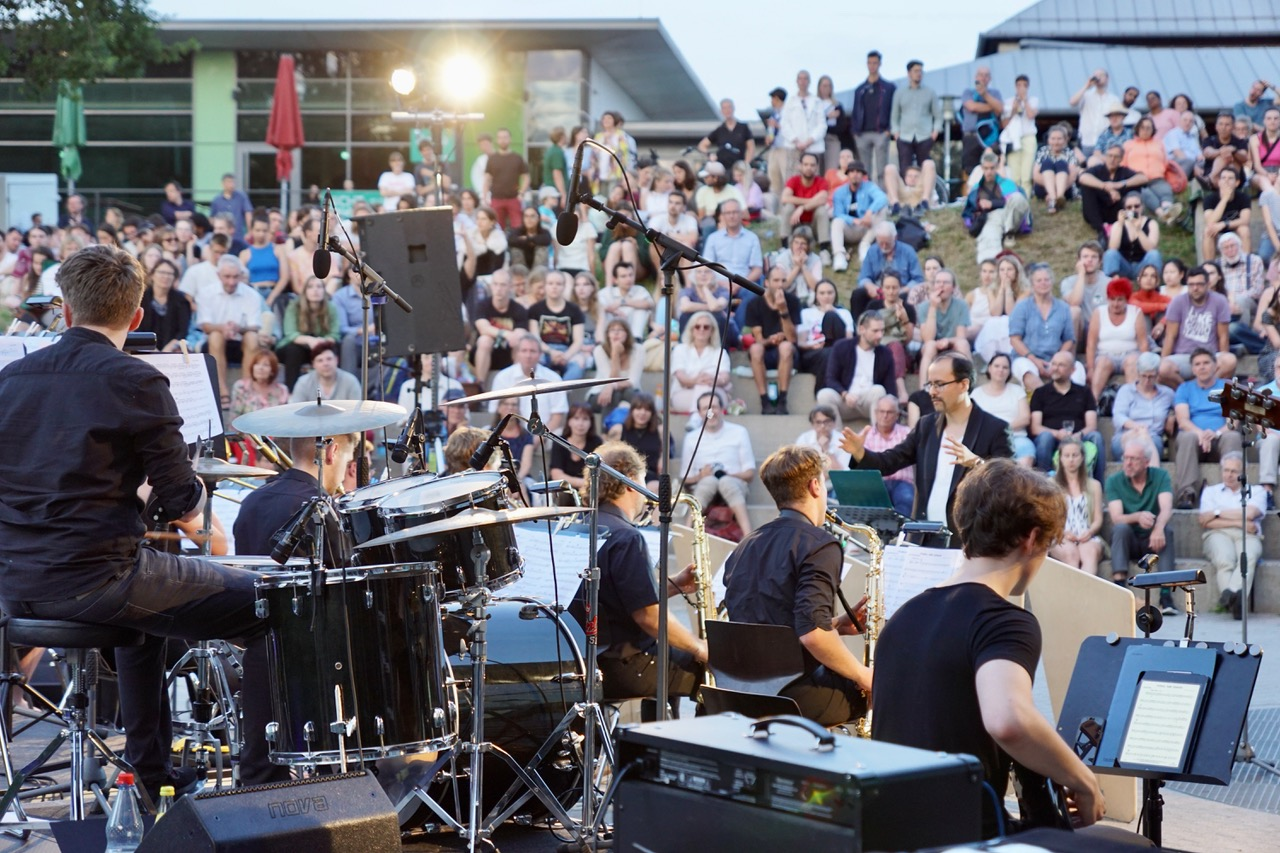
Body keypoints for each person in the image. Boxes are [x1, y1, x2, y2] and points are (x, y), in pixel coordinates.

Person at [0, 244, 287, 802]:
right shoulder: (135, 379)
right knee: (272, 607)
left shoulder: (10, 380)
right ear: (135, 317)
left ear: (63, 307)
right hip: (93, 581)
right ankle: (261, 790)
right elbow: (183, 499)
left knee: (154, 586)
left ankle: (149, 774)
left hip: (14, 584)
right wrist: (192, 484)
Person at [872, 459, 1104, 839]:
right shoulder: (1004, 621)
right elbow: (1007, 720)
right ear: (1031, 539)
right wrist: (1084, 780)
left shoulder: (903, 617)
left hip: (892, 832)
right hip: (960, 836)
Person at [722, 445, 872, 726]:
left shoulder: (746, 544)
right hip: (793, 697)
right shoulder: (820, 544)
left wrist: (836, 624)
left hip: (741, 692)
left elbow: (766, 618)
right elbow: (813, 635)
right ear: (815, 486)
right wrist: (864, 676)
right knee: (876, 689)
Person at [568, 441, 705, 705]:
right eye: (643, 481)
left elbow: (622, 598)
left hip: (587, 659)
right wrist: (699, 646)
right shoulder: (627, 537)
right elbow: (648, 617)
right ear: (630, 481)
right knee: (705, 667)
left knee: (670, 651)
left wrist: (675, 585)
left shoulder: (582, 526)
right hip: (623, 664)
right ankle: (659, 743)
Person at [840, 353, 1013, 530]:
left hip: (970, 540)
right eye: (930, 384)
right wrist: (859, 452)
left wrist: (977, 464)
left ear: (964, 384)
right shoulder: (926, 426)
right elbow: (890, 461)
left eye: (939, 384)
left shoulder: (995, 429)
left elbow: (1010, 485)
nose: (932, 392)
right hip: (926, 535)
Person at [232, 432, 356, 563]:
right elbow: (344, 573)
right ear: (332, 452)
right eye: (347, 462)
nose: (343, 477)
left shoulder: (251, 499)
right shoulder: (324, 509)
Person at [1108, 437, 1176, 610]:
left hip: (1152, 539)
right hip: (1129, 540)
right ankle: (1119, 587)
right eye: (1126, 458)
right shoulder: (1114, 481)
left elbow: (1166, 508)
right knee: (1120, 529)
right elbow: (1116, 517)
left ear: (1146, 462)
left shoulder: (1160, 476)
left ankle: (1166, 597)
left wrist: (1158, 528)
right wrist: (1137, 516)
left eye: (1134, 459)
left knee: (1167, 531)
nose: (1128, 463)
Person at [1172, 347, 1242, 509]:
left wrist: (1216, 433)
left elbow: (1233, 422)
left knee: (1233, 436)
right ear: (1192, 369)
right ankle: (1186, 493)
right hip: (1194, 440)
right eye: (1197, 364)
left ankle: (1232, 490)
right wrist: (1201, 434)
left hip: (1221, 439)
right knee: (1186, 435)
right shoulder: (1185, 389)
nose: (1202, 367)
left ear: (1215, 365)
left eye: (1206, 363)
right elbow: (1183, 421)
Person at [1199, 452, 1265, 621]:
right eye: (1226, 470)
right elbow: (1205, 521)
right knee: (1225, 560)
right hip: (1218, 533)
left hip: (1248, 535)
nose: (1228, 475)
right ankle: (1237, 601)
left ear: (1244, 472)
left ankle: (1232, 596)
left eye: (1234, 471)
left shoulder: (1257, 491)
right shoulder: (1210, 492)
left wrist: (1217, 514)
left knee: (1248, 558)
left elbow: (1250, 513)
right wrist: (1239, 522)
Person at [680, 391, 755, 536]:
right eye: (705, 408)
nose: (711, 412)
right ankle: (687, 531)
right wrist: (700, 476)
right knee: (708, 481)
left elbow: (750, 474)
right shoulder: (691, 438)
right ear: (699, 413)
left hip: (734, 485)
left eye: (714, 407)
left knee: (726, 481)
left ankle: (748, 535)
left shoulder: (739, 432)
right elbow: (685, 478)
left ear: (721, 409)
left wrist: (729, 474)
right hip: (704, 486)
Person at [198, 255, 264, 408]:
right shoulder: (206, 293)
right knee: (215, 336)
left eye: (235, 277)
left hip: (241, 342)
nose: (231, 282)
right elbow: (205, 325)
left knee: (252, 337)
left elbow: (254, 326)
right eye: (227, 277)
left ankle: (245, 388)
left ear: (241, 275)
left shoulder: (251, 294)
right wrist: (222, 328)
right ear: (218, 275)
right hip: (214, 343)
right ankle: (222, 391)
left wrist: (237, 329)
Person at [1029, 351, 1105, 482]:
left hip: (1078, 436)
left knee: (1096, 437)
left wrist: (1078, 435)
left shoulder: (1084, 392)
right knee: (1045, 438)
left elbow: (1092, 426)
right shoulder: (1040, 393)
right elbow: (1035, 427)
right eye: (1053, 364)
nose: (1055, 368)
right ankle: (1042, 486)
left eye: (1061, 365)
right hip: (1052, 438)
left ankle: (1098, 486)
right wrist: (1056, 433)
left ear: (1072, 370)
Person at [1158, 266, 1237, 386]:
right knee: (1162, 368)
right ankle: (1188, 390)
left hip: (1210, 355)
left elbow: (1223, 336)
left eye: (1199, 284)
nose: (1195, 288)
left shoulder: (1220, 301)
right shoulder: (1178, 302)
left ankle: (1208, 388)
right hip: (1183, 355)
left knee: (1230, 360)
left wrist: (1222, 357)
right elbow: (1170, 336)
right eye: (1191, 284)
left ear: (1207, 284)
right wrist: (1164, 360)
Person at [817, 310, 894, 421]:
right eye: (875, 331)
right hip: (845, 401)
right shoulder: (842, 347)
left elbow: (890, 386)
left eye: (882, 331)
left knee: (879, 390)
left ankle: (878, 436)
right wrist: (844, 394)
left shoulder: (885, 353)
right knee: (824, 395)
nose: (880, 335)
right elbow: (830, 378)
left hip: (870, 402)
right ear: (862, 329)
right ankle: (835, 437)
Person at [745, 266, 800, 414]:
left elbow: (793, 338)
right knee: (755, 349)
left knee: (786, 347)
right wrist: (771, 339)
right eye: (776, 280)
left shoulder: (793, 301)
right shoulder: (754, 304)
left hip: (787, 354)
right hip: (765, 351)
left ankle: (782, 400)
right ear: (767, 282)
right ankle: (764, 400)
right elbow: (759, 340)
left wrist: (783, 311)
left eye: (783, 280)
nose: (780, 285)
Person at [489, 332, 569, 432]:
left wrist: (537, 439)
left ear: (540, 354)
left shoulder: (553, 378)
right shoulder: (503, 377)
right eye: (524, 351)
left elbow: (557, 416)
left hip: (544, 434)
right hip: (511, 433)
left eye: (532, 351)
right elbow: (496, 411)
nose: (528, 355)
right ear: (517, 353)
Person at [1085, 277, 1148, 400]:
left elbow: (1143, 342)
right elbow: (1091, 343)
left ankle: (1134, 402)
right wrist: (1091, 368)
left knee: (1132, 363)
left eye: (1120, 300)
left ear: (1127, 299)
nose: (1115, 304)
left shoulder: (1136, 312)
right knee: (1103, 363)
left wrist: (1146, 366)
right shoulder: (1099, 312)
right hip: (1105, 354)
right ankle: (1093, 403)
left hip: (1130, 353)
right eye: (1112, 299)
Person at [1049, 437, 1105, 576]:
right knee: (1071, 555)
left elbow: (1098, 518)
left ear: (1082, 458)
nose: (1071, 460)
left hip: (1087, 535)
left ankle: (1086, 595)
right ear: (1060, 458)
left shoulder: (1094, 485)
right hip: (1061, 535)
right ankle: (1073, 596)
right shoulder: (1050, 484)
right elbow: (1048, 518)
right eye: (1067, 455)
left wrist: (1089, 532)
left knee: (1089, 553)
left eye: (1075, 455)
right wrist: (1063, 533)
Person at [969, 353, 1036, 467]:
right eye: (997, 366)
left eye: (1005, 367)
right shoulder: (976, 394)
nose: (1001, 370)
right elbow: (973, 421)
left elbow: (1025, 418)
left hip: (1016, 438)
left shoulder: (1017, 390)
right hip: (986, 440)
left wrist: (1002, 429)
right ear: (989, 368)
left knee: (1026, 459)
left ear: (1009, 371)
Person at [276, 276, 340, 389]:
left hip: (321, 346)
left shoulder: (331, 308)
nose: (315, 290)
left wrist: (323, 342)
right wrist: (310, 341)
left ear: (324, 291)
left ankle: (336, 388)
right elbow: (291, 334)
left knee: (335, 348)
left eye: (319, 287)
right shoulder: (294, 307)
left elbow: (335, 334)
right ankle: (291, 391)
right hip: (297, 346)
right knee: (293, 350)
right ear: (305, 291)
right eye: (310, 287)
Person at [1110, 351, 1174, 464]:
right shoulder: (1126, 391)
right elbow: (1119, 416)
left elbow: (1180, 407)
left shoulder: (1167, 394)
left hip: (1153, 436)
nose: (1147, 381)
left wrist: (1172, 415)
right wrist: (1138, 428)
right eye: (1143, 376)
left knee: (1147, 442)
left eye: (1151, 377)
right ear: (1138, 373)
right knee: (1140, 441)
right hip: (1126, 434)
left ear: (1157, 375)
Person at [528, 268, 589, 381]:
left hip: (567, 351)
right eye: (550, 283)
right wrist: (551, 352)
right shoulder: (535, 310)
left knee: (580, 363)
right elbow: (535, 338)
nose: (554, 287)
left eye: (558, 283)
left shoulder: (574, 310)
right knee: (533, 360)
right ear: (545, 286)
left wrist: (565, 356)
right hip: (543, 350)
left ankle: (562, 391)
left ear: (564, 286)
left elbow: (578, 341)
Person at [1078, 143, 1147, 241]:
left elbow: (1143, 178)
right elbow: (1083, 177)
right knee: (1087, 187)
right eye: (1109, 156)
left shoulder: (1124, 171)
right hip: (1097, 212)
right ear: (1105, 157)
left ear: (1121, 159)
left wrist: (1118, 185)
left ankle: (1128, 224)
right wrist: (1105, 187)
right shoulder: (1098, 169)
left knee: (1135, 189)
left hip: (1119, 212)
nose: (1112, 159)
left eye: (1116, 157)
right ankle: (1101, 230)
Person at [471, 267, 527, 385]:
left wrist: (512, 337)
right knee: (485, 340)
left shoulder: (518, 309)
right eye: (495, 284)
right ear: (491, 286)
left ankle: (517, 385)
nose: (498, 289)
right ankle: (480, 385)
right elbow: (483, 328)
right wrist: (505, 334)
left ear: (510, 287)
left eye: (503, 285)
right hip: (485, 352)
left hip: (509, 352)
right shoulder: (483, 305)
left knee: (519, 340)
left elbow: (520, 333)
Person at [829, 160, 887, 272]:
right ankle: (839, 255)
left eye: (858, 172)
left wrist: (869, 212)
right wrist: (854, 220)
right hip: (849, 228)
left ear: (863, 175)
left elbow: (882, 198)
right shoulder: (839, 192)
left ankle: (865, 246)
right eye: (852, 172)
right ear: (848, 174)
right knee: (837, 221)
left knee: (882, 210)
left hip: (867, 228)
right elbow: (838, 213)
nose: (855, 174)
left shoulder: (869, 187)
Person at [1122, 117, 1183, 224]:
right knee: (1146, 194)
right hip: (1137, 180)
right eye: (1142, 128)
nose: (1145, 130)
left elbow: (1165, 161)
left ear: (1153, 130)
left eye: (1148, 128)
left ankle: (1168, 210)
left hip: (1157, 178)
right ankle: (1162, 214)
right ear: (1137, 129)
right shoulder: (1128, 144)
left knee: (1165, 190)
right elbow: (1123, 164)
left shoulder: (1159, 144)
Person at [670, 310, 732, 414]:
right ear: (691, 329)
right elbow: (681, 377)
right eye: (697, 326)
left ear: (712, 331)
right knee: (703, 388)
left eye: (706, 327)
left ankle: (695, 418)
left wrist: (712, 380)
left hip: (715, 392)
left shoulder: (720, 352)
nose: (701, 330)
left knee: (706, 389)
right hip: (685, 393)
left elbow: (725, 377)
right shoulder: (680, 349)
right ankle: (699, 417)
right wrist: (697, 381)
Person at [862, 395, 914, 517]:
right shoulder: (866, 435)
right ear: (875, 413)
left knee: (906, 499)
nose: (885, 416)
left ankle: (900, 534)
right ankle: (879, 535)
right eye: (882, 411)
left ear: (897, 415)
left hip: (902, 481)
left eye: (889, 412)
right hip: (876, 483)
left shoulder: (907, 433)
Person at [890, 59, 941, 183]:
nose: (919, 73)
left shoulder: (930, 92)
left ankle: (926, 194)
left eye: (920, 71)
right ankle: (905, 195)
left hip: (924, 136)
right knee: (904, 168)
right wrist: (896, 133)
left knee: (925, 166)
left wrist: (935, 132)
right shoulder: (900, 92)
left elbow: (938, 115)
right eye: (916, 71)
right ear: (909, 73)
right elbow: (894, 116)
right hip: (905, 136)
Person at [850, 50, 895, 182]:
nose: (872, 66)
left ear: (880, 64)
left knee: (882, 170)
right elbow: (855, 111)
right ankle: (866, 196)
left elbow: (893, 109)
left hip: (881, 133)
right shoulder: (860, 89)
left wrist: (888, 130)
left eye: (875, 63)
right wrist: (855, 132)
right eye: (870, 63)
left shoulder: (888, 88)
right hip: (862, 134)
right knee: (864, 170)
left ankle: (881, 197)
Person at [779, 153, 831, 258]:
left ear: (816, 167)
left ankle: (824, 249)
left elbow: (823, 199)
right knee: (788, 207)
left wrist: (802, 208)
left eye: (812, 165)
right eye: (806, 164)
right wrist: (811, 201)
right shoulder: (793, 180)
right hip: (795, 222)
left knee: (821, 210)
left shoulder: (821, 182)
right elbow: (784, 198)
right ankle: (784, 246)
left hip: (813, 224)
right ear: (800, 166)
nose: (809, 168)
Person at [918, 269, 972, 369]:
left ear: (953, 288)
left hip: (953, 344)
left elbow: (961, 336)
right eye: (938, 282)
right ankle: (923, 384)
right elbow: (927, 338)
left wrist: (947, 341)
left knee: (963, 344)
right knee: (930, 346)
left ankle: (970, 382)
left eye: (946, 282)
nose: (941, 285)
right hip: (932, 346)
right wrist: (933, 307)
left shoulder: (962, 305)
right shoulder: (923, 307)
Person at [590, 319, 643, 419]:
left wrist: (612, 386)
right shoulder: (599, 350)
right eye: (612, 330)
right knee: (615, 394)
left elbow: (633, 381)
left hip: (629, 392)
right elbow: (609, 380)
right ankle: (607, 433)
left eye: (620, 329)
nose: (616, 333)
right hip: (600, 394)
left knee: (626, 392)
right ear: (607, 334)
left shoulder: (638, 349)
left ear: (627, 333)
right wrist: (615, 353)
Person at [138, 258, 191, 353]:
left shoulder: (181, 300)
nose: (165, 277)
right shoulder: (141, 298)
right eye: (162, 272)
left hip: (172, 349)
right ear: (153, 275)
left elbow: (183, 331)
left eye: (170, 274)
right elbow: (137, 329)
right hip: (143, 347)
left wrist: (167, 349)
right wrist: (152, 349)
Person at [1103, 193, 1161, 278]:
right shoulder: (1118, 225)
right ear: (1125, 209)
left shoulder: (1151, 223)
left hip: (1143, 267)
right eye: (1129, 207)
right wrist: (1120, 224)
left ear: (1142, 206)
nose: (1133, 209)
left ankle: (1153, 284)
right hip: (1124, 265)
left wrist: (1138, 230)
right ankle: (1112, 284)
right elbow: (1113, 248)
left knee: (1154, 254)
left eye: (1136, 206)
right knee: (1110, 253)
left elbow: (1151, 249)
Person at [548, 403, 603, 495]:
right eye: (576, 418)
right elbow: (556, 475)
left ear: (591, 423)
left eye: (585, 419)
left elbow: (600, 473)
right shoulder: (559, 442)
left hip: (588, 491)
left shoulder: (596, 442)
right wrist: (585, 483)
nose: (580, 423)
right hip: (563, 490)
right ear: (569, 421)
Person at [1001, 74, 1041, 195]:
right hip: (1013, 139)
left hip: (1028, 137)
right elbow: (1004, 123)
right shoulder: (1008, 102)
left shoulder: (1033, 100)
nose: (1021, 88)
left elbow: (1030, 115)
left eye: (1024, 85)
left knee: (1026, 174)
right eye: (1019, 85)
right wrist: (1013, 108)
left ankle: (1026, 199)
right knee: (1014, 174)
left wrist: (1024, 100)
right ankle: (1014, 197)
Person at [959, 66, 1003, 176]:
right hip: (971, 137)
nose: (983, 78)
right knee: (970, 170)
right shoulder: (968, 92)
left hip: (989, 138)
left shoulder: (995, 93)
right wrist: (991, 106)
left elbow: (1000, 109)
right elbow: (972, 107)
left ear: (990, 78)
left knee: (991, 167)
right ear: (976, 77)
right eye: (981, 75)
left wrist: (985, 95)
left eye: (986, 75)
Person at [1202, 167, 1253, 261]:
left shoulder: (1243, 197)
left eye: (1230, 178)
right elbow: (1210, 221)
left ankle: (1247, 264)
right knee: (1207, 231)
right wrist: (1224, 199)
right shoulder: (1209, 199)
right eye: (1223, 178)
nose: (1226, 181)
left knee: (1244, 230)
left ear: (1237, 183)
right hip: (1216, 228)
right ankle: (1209, 266)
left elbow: (1245, 220)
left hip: (1234, 226)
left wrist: (1224, 224)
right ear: (1218, 182)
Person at [288, 340, 362, 403]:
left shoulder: (350, 381)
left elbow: (358, 411)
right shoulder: (303, 383)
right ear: (313, 364)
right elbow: (295, 410)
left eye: (329, 359)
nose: (325, 364)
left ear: (337, 360)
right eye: (320, 361)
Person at [484, 128, 529, 230]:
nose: (503, 140)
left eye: (505, 137)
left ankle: (516, 246)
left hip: (513, 198)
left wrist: (521, 193)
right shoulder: (492, 158)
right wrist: (485, 196)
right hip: (496, 198)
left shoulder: (517, 158)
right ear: (497, 140)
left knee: (518, 228)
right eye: (500, 137)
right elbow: (487, 179)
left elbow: (526, 177)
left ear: (510, 139)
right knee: (497, 228)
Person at [1032, 126, 1080, 214]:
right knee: (1047, 163)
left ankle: (1055, 199)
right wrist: (1053, 186)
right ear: (1048, 140)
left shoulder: (1070, 153)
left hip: (1066, 188)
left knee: (1061, 164)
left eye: (1059, 139)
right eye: (1053, 138)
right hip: (1044, 187)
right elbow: (1035, 175)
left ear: (1065, 140)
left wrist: (1058, 188)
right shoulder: (1042, 151)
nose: (1056, 142)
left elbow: (1073, 176)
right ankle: (1055, 199)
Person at [699, 98, 755, 171]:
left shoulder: (743, 127)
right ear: (721, 111)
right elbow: (702, 145)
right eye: (724, 108)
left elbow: (751, 147)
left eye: (729, 107)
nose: (727, 110)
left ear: (733, 109)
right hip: (723, 168)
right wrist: (710, 154)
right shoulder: (719, 130)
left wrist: (746, 164)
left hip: (739, 168)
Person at [230, 349, 290, 418]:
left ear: (272, 371)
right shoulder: (241, 386)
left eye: (266, 365)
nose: (260, 368)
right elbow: (234, 416)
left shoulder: (282, 390)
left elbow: (284, 418)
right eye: (257, 364)